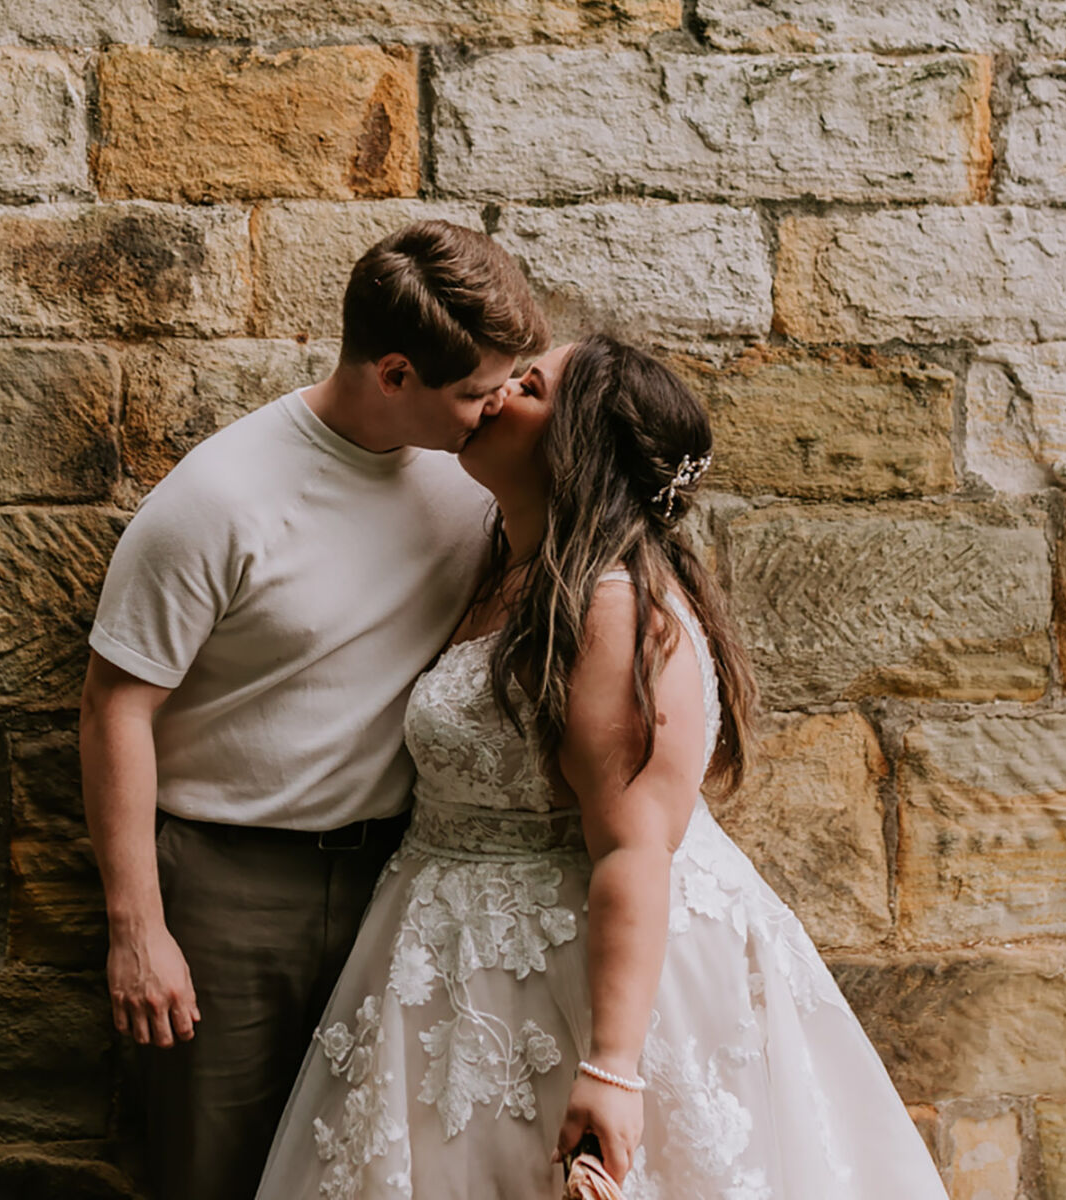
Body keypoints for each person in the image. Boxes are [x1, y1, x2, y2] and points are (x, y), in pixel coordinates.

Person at [255, 335, 951, 1199]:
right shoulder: (507, 564)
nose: (500, 391)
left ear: (574, 445)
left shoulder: (612, 608)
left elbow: (631, 847)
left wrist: (614, 1068)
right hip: (457, 966)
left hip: (577, 977)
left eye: (532, 387)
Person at [78, 220, 550, 1200]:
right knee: (209, 1170)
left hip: (403, 880)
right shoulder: (217, 500)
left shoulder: (476, 479)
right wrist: (138, 927)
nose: (496, 408)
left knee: (369, 1168)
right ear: (393, 374)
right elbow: (114, 706)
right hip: (228, 887)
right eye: (474, 393)